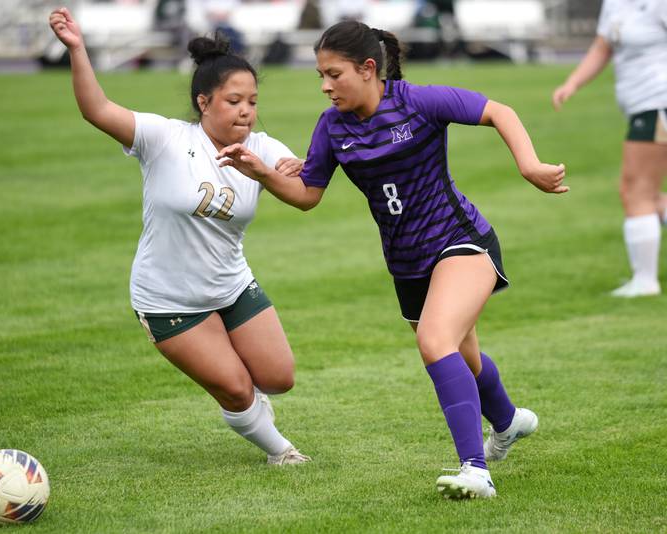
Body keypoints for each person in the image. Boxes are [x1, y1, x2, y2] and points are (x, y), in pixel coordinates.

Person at [217, 20, 566, 498]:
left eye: (333, 74)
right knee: (462, 355)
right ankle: (508, 422)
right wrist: (259, 171)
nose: (325, 85)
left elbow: (498, 111)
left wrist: (529, 165)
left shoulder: (417, 101)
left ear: (367, 69)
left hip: (460, 241)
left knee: (435, 339)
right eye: (320, 74)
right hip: (406, 263)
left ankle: (475, 471)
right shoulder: (332, 127)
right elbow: (306, 195)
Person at [48, 7, 310, 466]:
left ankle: (254, 404)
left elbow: (305, 195)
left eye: (252, 101)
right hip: (167, 298)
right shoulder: (163, 138)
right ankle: (280, 451)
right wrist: (77, 49)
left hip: (230, 286)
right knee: (234, 386)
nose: (246, 110)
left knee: (280, 377)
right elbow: (97, 109)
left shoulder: (263, 148)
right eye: (233, 101)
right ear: (204, 102)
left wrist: (265, 173)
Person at [552, 0, 667, 298]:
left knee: (635, 190)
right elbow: (603, 46)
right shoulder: (615, 2)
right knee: (650, 195)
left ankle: (645, 281)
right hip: (643, 104)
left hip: (657, 101)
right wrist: (572, 83)